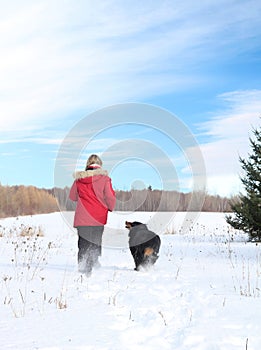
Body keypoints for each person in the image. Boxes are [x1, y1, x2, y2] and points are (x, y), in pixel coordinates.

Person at [69, 154, 116, 275]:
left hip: (82, 218)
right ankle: (94, 263)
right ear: (99, 165)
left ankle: (83, 267)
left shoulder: (79, 180)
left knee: (83, 243)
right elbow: (110, 197)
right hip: (98, 217)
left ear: (87, 165)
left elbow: (72, 197)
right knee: (95, 241)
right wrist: (110, 207)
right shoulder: (105, 179)